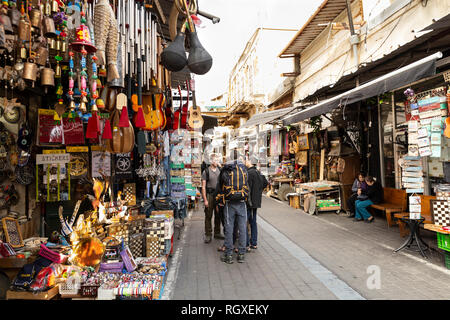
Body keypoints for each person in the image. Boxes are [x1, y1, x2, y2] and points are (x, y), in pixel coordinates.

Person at [216, 152, 249, 264]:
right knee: (242, 228)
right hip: (242, 202)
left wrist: (220, 198)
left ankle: (229, 255)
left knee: (229, 228)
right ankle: (241, 255)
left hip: (229, 203)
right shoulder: (243, 170)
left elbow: (220, 185)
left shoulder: (226, 170)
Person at [245, 159, 268, 251]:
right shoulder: (258, 172)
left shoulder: (249, 173)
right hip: (256, 202)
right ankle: (254, 243)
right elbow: (265, 183)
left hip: (249, 201)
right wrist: (259, 191)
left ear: (249, 162)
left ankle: (246, 244)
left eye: (246, 161)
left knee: (245, 222)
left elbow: (247, 188)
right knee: (253, 222)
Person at [201, 154, 223, 243]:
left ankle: (217, 232)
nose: (217, 162)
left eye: (218, 160)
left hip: (218, 195)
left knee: (218, 214)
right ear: (211, 161)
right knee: (208, 215)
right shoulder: (206, 171)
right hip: (210, 195)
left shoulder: (220, 170)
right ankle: (208, 234)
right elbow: (203, 187)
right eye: (215, 160)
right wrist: (205, 199)